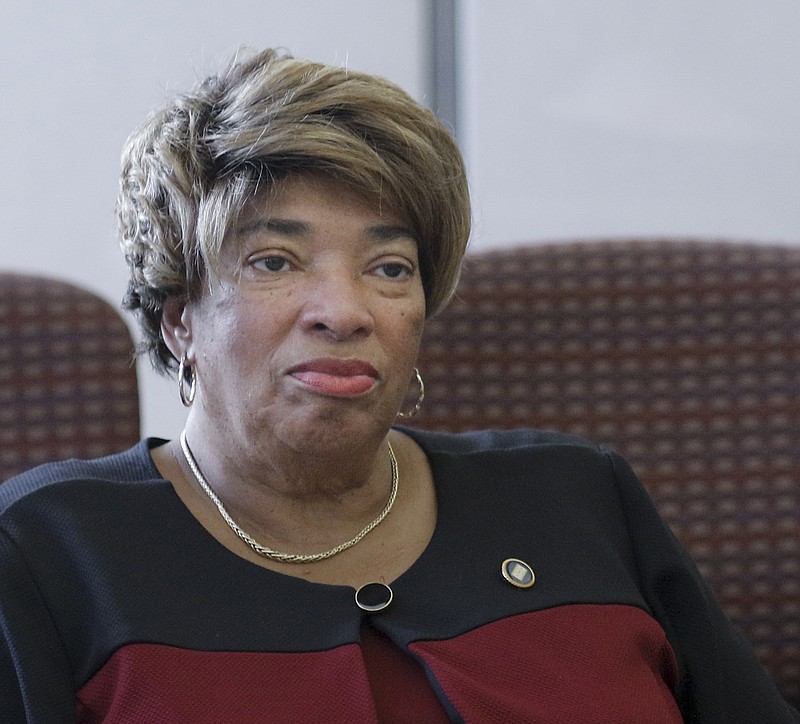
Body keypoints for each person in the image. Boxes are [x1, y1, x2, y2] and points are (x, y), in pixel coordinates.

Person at [0, 48, 796, 724]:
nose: (344, 312)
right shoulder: (46, 549)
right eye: (274, 261)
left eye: (389, 268)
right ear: (181, 320)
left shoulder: (577, 494)